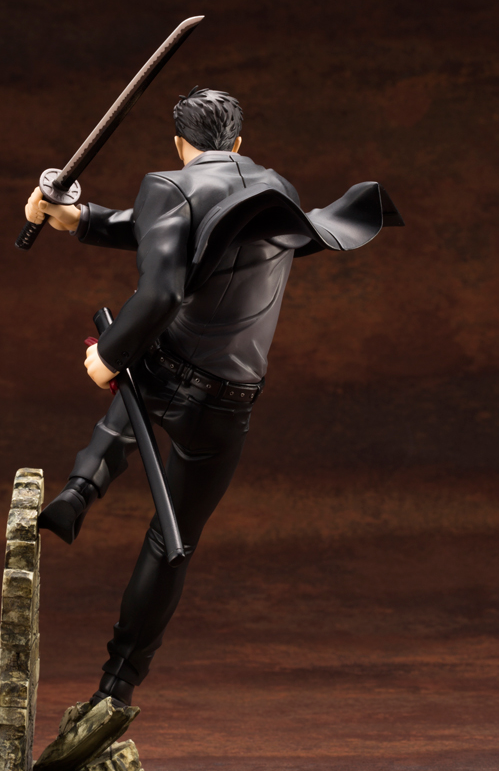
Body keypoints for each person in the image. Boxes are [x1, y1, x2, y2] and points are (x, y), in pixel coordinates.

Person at [24, 87, 399, 721]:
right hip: (230, 403)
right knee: (172, 542)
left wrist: (108, 355)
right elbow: (168, 235)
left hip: (165, 372)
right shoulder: (275, 191)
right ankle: (117, 687)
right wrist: (79, 218)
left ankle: (79, 491)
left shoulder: (167, 185)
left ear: (179, 143)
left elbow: (161, 287)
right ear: (239, 142)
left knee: (138, 375)